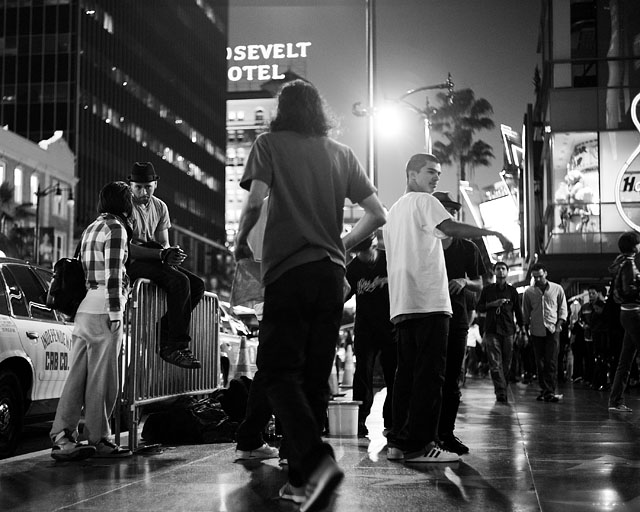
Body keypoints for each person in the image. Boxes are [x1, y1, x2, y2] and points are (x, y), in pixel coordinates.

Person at [234, 79, 386, 510]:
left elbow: (256, 201)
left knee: (278, 371)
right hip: (331, 277)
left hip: (288, 272)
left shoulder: (269, 144)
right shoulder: (341, 153)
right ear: (319, 109)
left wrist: (240, 240)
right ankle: (300, 480)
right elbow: (378, 215)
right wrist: (342, 244)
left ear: (282, 110)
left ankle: (318, 461)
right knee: (315, 378)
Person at [383, 153, 513, 464]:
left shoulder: (394, 211)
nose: (436, 178)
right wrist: (492, 233)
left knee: (405, 377)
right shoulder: (423, 201)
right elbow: (451, 227)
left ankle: (399, 443)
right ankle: (421, 445)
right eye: (430, 172)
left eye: (439, 173)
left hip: (403, 304)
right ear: (412, 174)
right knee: (431, 376)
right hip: (429, 302)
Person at [49, 182, 133, 461]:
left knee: (76, 377)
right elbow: (113, 275)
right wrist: (117, 314)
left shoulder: (90, 228)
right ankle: (99, 438)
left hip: (85, 309)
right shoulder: (117, 229)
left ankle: (63, 438)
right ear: (124, 203)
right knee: (103, 380)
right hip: (104, 310)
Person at [126, 162, 205, 369]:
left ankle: (164, 330)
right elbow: (126, 248)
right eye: (138, 187)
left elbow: (164, 242)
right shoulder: (125, 206)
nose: (143, 191)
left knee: (197, 285)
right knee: (179, 281)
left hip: (155, 258)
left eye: (148, 187)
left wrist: (171, 253)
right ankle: (175, 345)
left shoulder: (160, 207)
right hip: (132, 264)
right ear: (130, 185)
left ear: (155, 185)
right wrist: (162, 253)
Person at [432, 191, 485, 455]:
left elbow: (479, 284)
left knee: (452, 378)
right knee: (428, 376)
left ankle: (446, 433)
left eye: (451, 210)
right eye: (442, 209)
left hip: (457, 318)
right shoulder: (422, 243)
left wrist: (465, 281)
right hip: (427, 317)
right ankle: (426, 435)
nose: (447, 214)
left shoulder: (467, 248)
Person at [345, 232, 396, 438]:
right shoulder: (353, 268)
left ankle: (392, 419)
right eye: (359, 253)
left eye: (366, 252)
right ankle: (360, 419)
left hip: (390, 325)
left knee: (393, 373)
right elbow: (343, 294)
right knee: (362, 373)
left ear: (374, 246)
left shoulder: (389, 258)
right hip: (365, 328)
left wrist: (390, 279)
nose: (364, 257)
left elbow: (406, 278)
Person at [476, 261, 523, 403]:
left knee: (506, 363)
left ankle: (503, 387)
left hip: (508, 330)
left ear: (507, 272)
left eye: (503, 269)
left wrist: (523, 329)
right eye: (498, 269)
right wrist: (493, 304)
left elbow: (518, 312)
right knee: (495, 364)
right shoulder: (487, 290)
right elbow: (479, 307)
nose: (501, 271)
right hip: (491, 330)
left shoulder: (512, 291)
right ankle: (501, 392)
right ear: (494, 271)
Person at [522, 263, 568, 402]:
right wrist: (525, 331)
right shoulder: (528, 292)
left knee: (551, 361)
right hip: (536, 331)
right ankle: (544, 390)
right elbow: (526, 313)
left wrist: (559, 324)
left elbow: (563, 308)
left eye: (540, 276)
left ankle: (550, 391)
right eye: (534, 277)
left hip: (552, 330)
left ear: (545, 274)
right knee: (539, 363)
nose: (537, 279)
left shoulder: (557, 289)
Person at [608, 231, 640, 412]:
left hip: (627, 314)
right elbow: (629, 290)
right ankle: (615, 400)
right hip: (634, 313)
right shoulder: (628, 264)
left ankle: (615, 400)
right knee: (625, 360)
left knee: (626, 359)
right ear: (634, 246)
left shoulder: (621, 262)